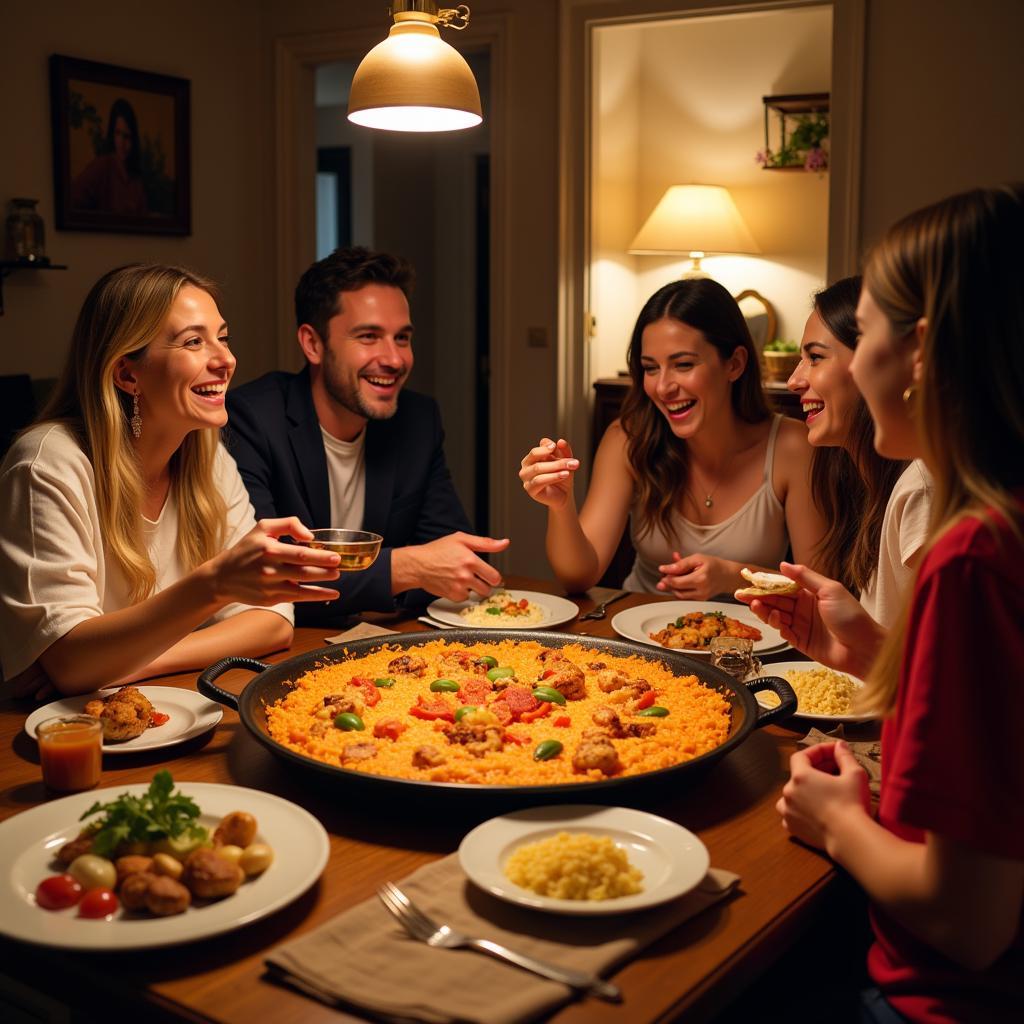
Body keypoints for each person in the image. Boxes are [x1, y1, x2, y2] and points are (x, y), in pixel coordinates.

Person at [742, 185, 1024, 1022]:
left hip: (932, 999)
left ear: (923, 350)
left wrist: (837, 821)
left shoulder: (972, 555)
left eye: (861, 334)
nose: (851, 365)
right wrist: (869, 654)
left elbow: (968, 920)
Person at [0, 264, 342, 699]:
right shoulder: (47, 463)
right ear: (127, 374)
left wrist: (120, 664)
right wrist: (212, 586)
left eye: (223, 337)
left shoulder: (207, 454)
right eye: (194, 341)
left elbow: (273, 622)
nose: (226, 360)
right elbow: (70, 660)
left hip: (169, 706)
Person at [225, 246, 508, 625]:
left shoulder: (418, 420)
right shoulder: (253, 418)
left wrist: (420, 569)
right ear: (313, 344)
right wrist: (405, 567)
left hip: (388, 644)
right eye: (369, 337)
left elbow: (460, 563)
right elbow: (268, 577)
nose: (394, 359)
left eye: (402, 338)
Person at [519, 278, 824, 598]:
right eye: (651, 368)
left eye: (683, 365)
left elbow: (819, 590)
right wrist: (561, 505)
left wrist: (734, 577)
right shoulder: (627, 439)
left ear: (734, 364)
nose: (663, 387)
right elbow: (579, 577)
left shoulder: (793, 446)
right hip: (638, 635)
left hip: (752, 641)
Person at [788, 276, 930, 624]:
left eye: (815, 357)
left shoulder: (922, 492)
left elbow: (943, 669)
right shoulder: (854, 478)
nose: (794, 380)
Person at [70, 98, 147, 216]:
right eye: (117, 133)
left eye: (126, 136)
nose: (121, 143)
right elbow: (73, 198)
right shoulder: (102, 166)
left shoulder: (136, 180)